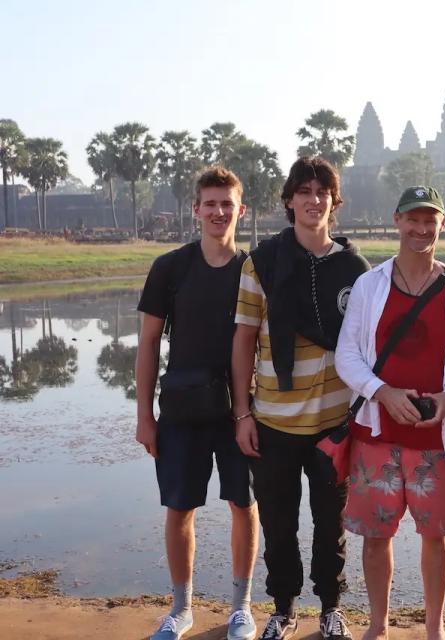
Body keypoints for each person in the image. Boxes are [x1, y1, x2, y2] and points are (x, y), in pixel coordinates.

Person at [232, 157, 370, 640]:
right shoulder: (261, 263)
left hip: (335, 422)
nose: (314, 199)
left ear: (334, 202)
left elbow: (368, 346)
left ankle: (330, 608)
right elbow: (244, 341)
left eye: (323, 191)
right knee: (278, 523)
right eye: (304, 191)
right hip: (272, 419)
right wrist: (242, 412)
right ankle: (283, 607)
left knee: (331, 525)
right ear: (289, 200)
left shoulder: (355, 269)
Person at [335, 186, 445, 640]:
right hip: (376, 433)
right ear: (397, 220)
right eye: (412, 219)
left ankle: (434, 627)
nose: (420, 229)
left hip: (434, 435)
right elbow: (347, 356)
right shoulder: (369, 284)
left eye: (429, 220)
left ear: (442, 224)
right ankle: (379, 625)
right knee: (377, 535)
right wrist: (383, 392)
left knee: (436, 535)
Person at [135, 166, 258, 640]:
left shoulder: (253, 270)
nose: (218, 211)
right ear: (196, 210)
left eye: (227, 203)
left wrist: (250, 411)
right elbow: (147, 344)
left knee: (242, 503)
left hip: (238, 411)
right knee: (179, 507)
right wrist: (145, 416)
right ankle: (181, 607)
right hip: (182, 410)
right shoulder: (170, 267)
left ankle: (241, 606)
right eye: (210, 203)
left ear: (241, 210)